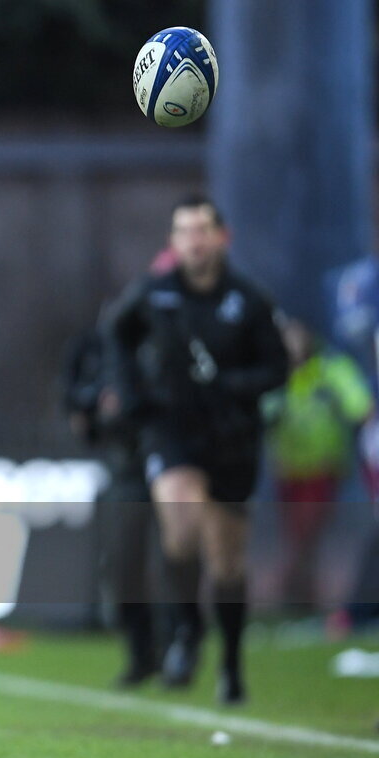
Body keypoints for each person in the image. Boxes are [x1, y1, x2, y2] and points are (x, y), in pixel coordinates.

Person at [105, 194, 288, 704]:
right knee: (181, 530)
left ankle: (231, 661)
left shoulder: (249, 300)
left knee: (227, 562)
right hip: (172, 430)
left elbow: (277, 370)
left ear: (221, 237)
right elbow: (115, 334)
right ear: (173, 241)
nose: (194, 240)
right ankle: (186, 629)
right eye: (184, 231)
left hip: (230, 437)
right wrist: (133, 396)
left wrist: (230, 384)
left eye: (202, 230)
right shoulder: (155, 293)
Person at [62, 326, 162, 687]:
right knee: (124, 564)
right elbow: (75, 399)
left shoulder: (161, 345)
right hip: (127, 469)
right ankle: (142, 654)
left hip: (171, 459)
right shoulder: (96, 348)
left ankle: (176, 650)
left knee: (171, 559)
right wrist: (94, 410)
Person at [261, 317, 373, 609]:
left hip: (323, 468)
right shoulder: (273, 374)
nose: (293, 344)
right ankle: (298, 598)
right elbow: (258, 415)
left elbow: (361, 406)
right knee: (296, 536)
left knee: (307, 532)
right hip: (286, 470)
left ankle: (297, 596)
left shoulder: (330, 369)